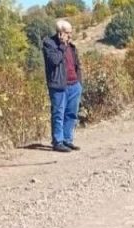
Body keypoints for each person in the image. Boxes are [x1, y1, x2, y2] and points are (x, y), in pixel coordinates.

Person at [42, 19, 82, 153]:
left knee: (71, 114)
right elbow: (54, 60)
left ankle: (67, 140)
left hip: (74, 85)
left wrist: (79, 82)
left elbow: (77, 65)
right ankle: (57, 142)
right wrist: (62, 45)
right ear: (60, 33)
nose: (70, 35)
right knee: (58, 114)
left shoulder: (72, 46)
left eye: (71, 32)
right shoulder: (49, 43)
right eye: (68, 33)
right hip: (59, 86)